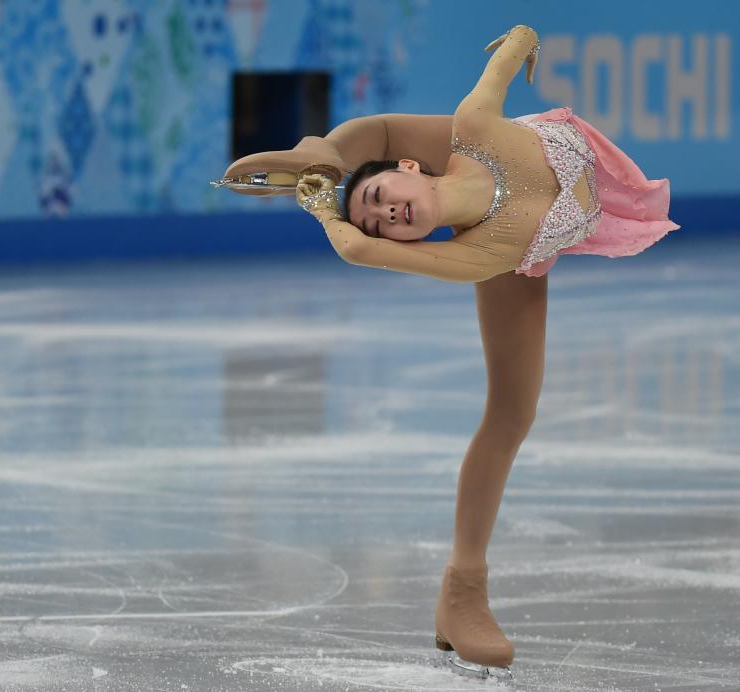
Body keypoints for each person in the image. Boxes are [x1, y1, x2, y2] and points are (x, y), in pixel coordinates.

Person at [223, 24, 678, 681]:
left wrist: (522, 40)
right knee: (510, 415)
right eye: (381, 222)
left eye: (380, 199)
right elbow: (355, 248)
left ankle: (318, 153)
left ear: (411, 170)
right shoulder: (477, 256)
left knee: (375, 131)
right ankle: (462, 592)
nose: (387, 219)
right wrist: (322, 201)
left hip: (528, 153)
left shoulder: (471, 130)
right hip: (524, 243)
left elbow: (414, 112)